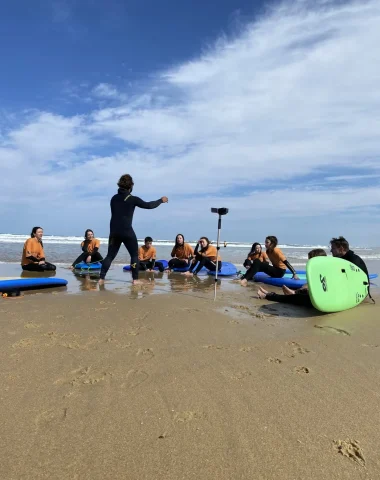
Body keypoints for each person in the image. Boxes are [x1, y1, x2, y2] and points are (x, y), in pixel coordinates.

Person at [99, 174, 168, 285]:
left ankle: (101, 279)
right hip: (126, 231)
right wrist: (161, 200)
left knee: (110, 256)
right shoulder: (132, 199)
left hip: (114, 231)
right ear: (131, 186)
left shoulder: (113, 198)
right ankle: (135, 280)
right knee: (134, 255)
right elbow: (149, 205)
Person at [257, 248, 327, 307]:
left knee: (293, 298)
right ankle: (293, 293)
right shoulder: (325, 271)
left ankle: (268, 295)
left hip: (317, 303)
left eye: (310, 260)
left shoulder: (319, 273)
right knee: (301, 292)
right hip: (320, 300)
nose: (308, 262)